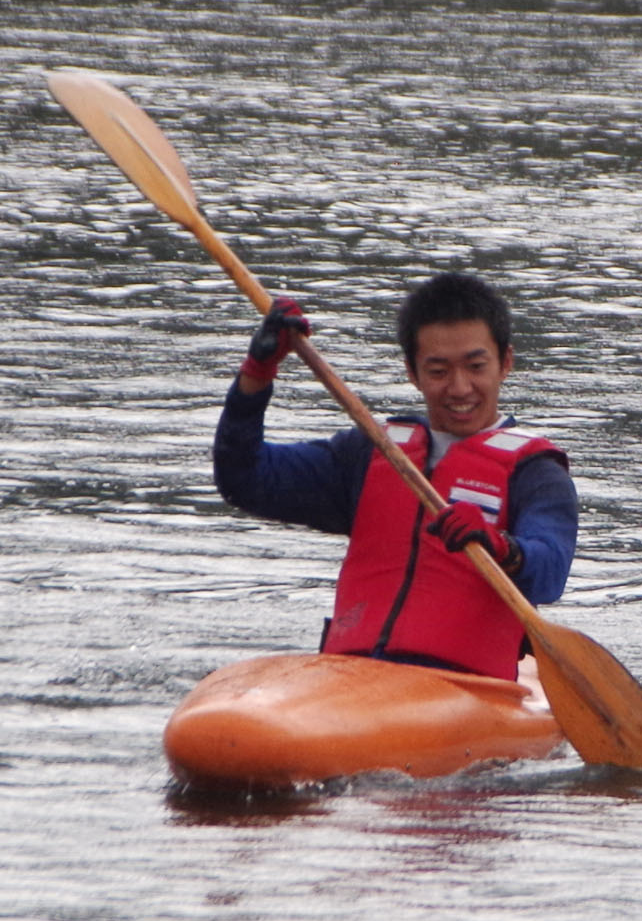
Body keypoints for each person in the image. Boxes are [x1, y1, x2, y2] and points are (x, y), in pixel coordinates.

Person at [212, 271, 578, 682]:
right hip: (349, 676)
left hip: (470, 688)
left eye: (476, 366)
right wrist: (257, 376)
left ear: (505, 363)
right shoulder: (370, 452)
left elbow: (550, 571)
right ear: (412, 371)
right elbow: (244, 478)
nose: (460, 388)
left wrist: (501, 546)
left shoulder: (535, 471)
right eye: (438, 371)